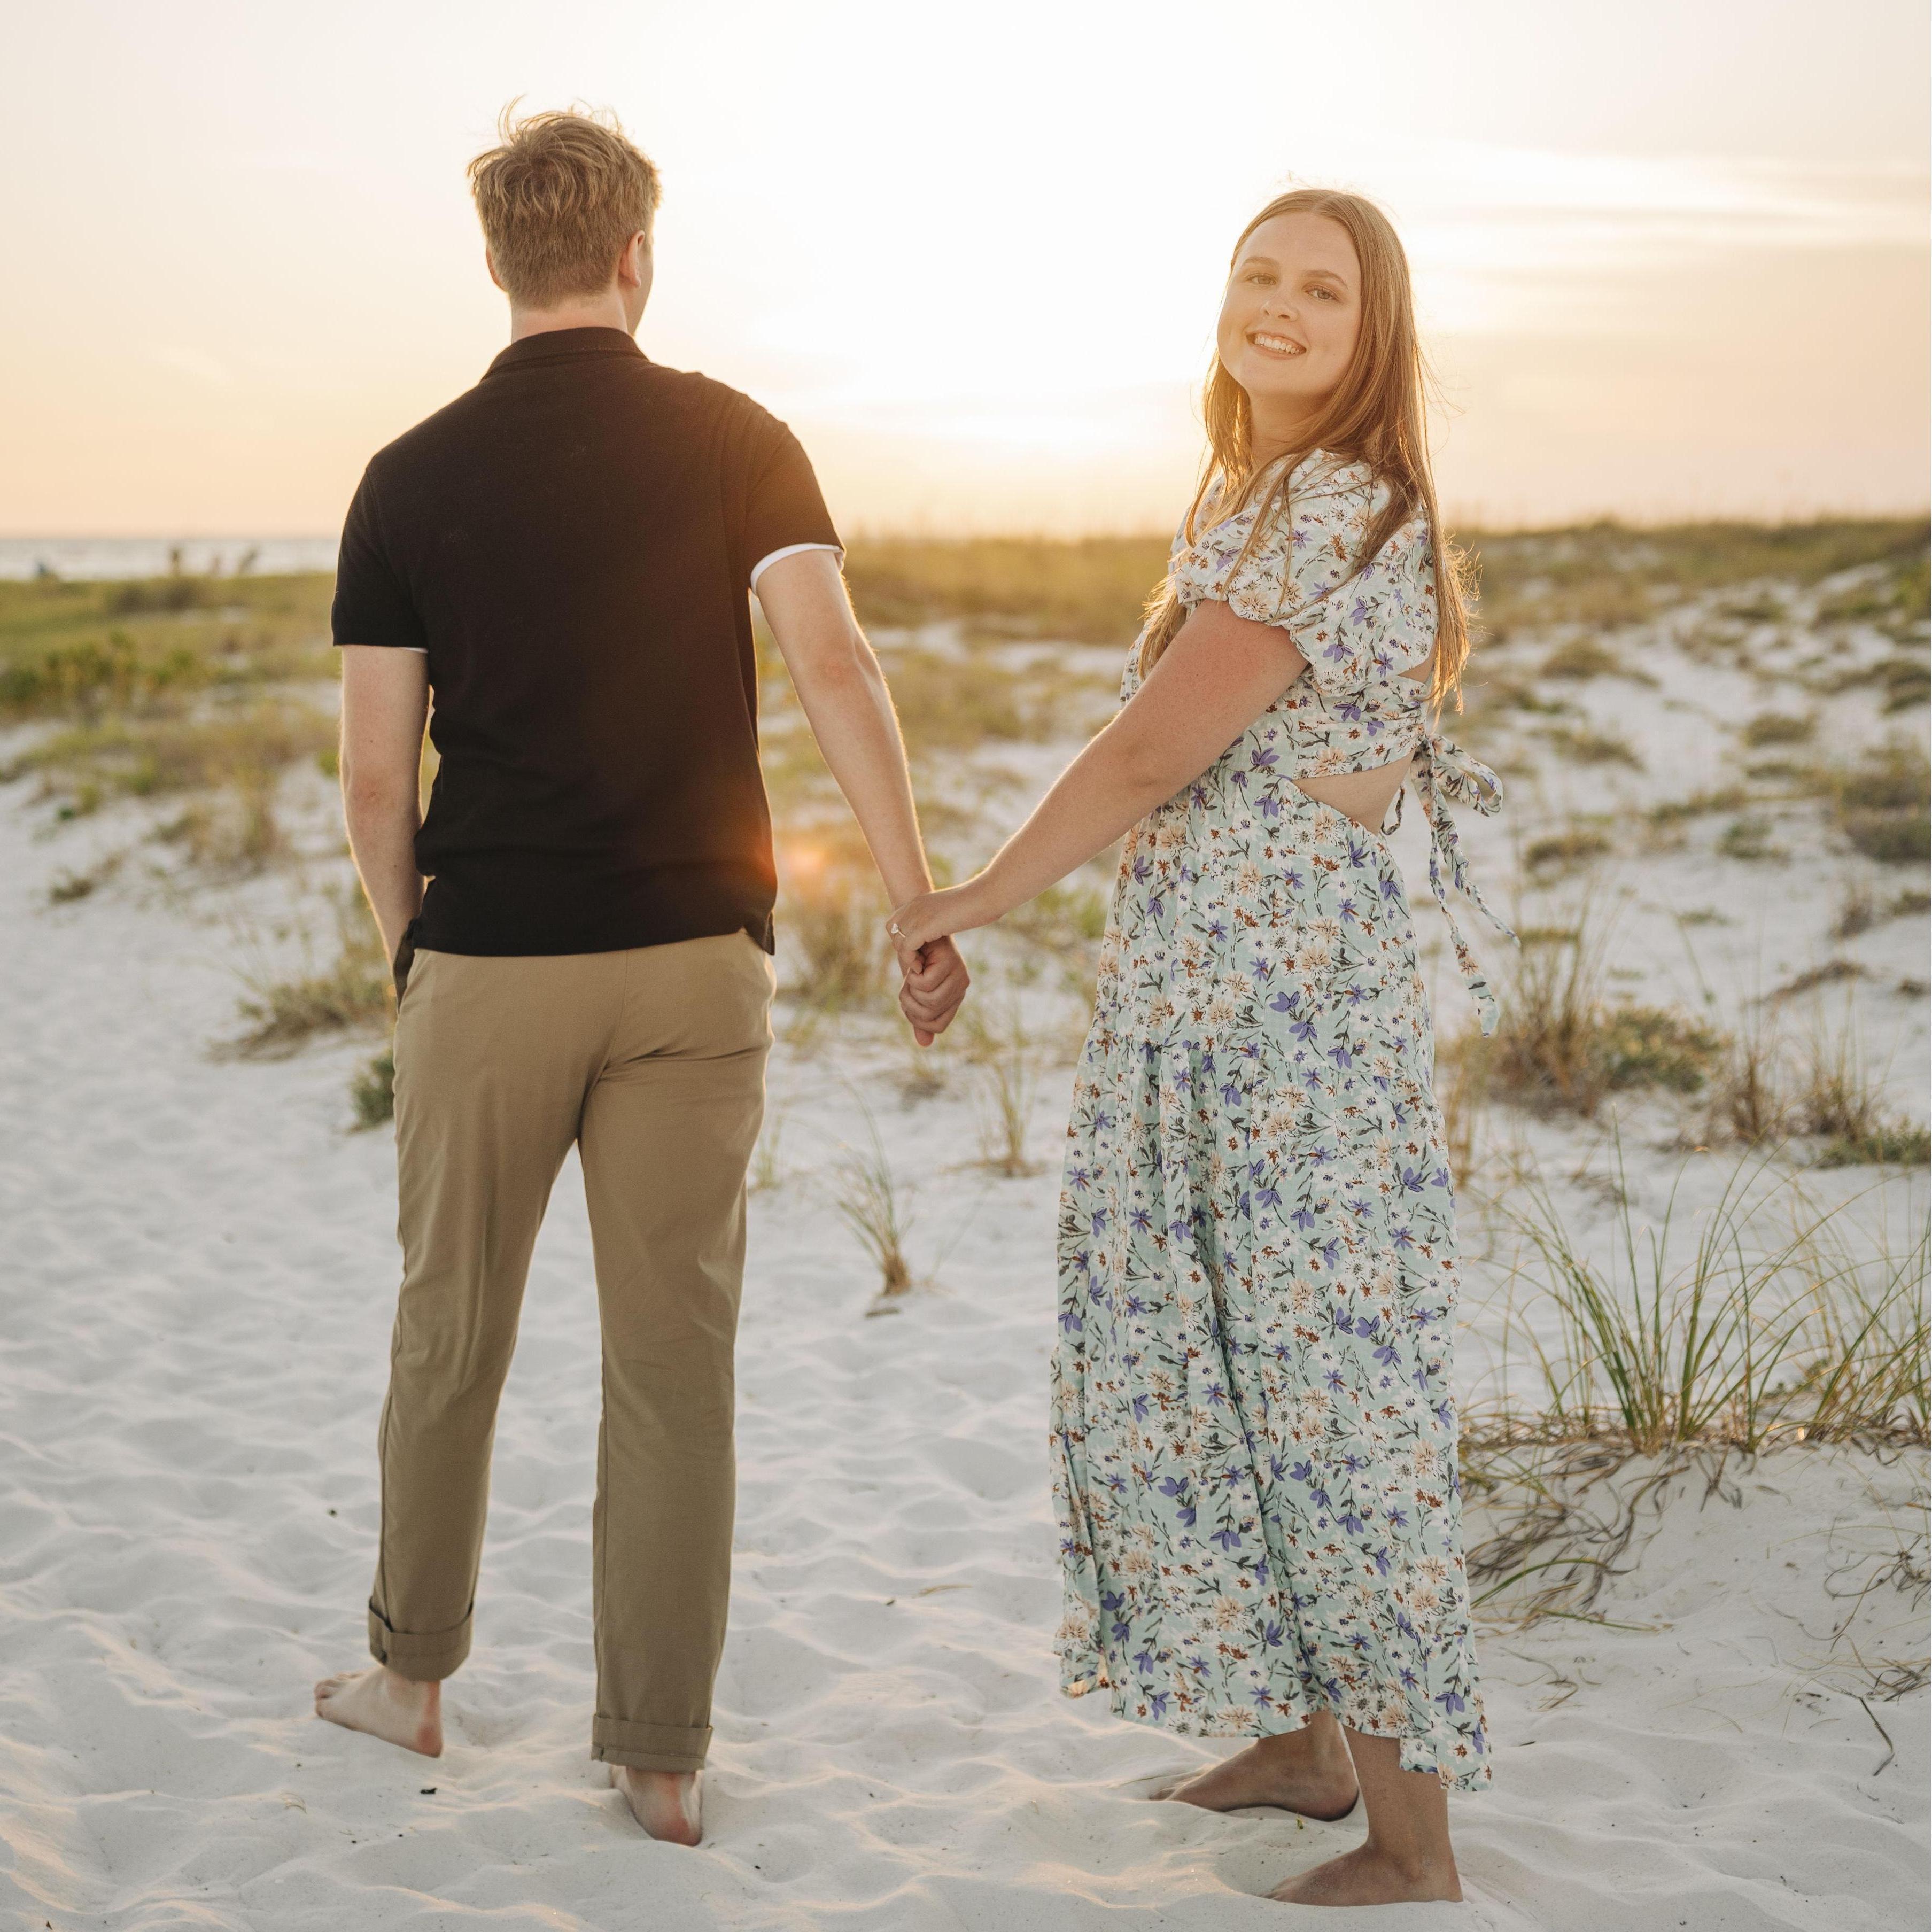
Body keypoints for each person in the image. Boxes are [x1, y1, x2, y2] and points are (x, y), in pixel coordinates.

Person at [312, 105, 968, 1845]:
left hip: (492, 961)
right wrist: (916, 898)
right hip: (696, 962)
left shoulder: (406, 476)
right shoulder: (739, 435)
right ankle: (661, 1756)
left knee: (452, 1329)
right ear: (636, 257)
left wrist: (412, 957)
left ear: (498, 263)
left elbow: (378, 782)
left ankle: (412, 1678)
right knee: (675, 1359)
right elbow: (834, 664)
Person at [887, 189, 1514, 1907]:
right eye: (1260, 276)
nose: (1283, 307)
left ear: (1374, 333)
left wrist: (979, 892)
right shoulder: (1251, 494)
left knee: (1331, 1399)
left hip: (1287, 1031)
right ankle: (1314, 1751)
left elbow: (1157, 751)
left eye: (1325, 289)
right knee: (1241, 1378)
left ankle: (1414, 1843)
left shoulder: (1341, 505)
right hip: (1210, 1008)